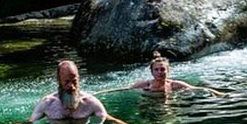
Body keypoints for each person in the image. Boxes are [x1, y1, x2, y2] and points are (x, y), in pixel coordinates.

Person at [0, 60, 149, 124]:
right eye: (67, 81)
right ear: (59, 80)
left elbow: (110, 118)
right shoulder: (48, 102)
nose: (71, 86)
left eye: (74, 80)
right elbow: (27, 122)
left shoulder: (90, 101)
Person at [97, 51, 227, 96]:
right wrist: (98, 93)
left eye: (163, 69)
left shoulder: (174, 85)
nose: (160, 72)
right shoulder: (145, 84)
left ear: (168, 71)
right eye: (157, 70)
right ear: (152, 71)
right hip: (149, 104)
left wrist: (219, 94)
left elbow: (199, 89)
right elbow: (121, 90)